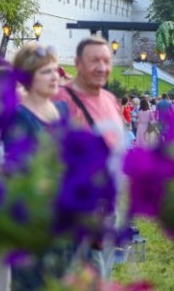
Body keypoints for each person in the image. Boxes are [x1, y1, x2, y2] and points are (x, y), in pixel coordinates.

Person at [52, 36, 124, 280]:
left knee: (102, 275)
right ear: (77, 64)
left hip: (107, 209)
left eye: (106, 61)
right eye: (94, 61)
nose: (102, 67)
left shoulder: (110, 100)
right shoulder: (61, 100)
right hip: (77, 211)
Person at [7, 43, 71, 291]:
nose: (55, 76)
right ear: (27, 76)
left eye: (55, 70)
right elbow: (16, 173)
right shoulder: (20, 117)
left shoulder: (62, 111)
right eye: (46, 72)